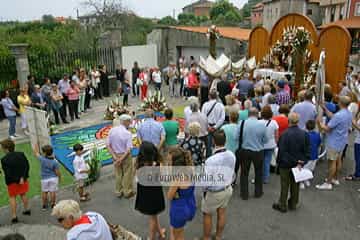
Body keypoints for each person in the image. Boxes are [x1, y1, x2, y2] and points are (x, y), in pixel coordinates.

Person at [272, 113, 310, 213]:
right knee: (295, 184)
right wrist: (302, 162)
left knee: (284, 185)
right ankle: (293, 203)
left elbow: (281, 151)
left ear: (289, 121)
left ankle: (282, 204)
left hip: (285, 163)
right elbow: (307, 151)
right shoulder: (304, 134)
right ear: (298, 121)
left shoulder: (285, 134)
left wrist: (278, 163)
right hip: (298, 164)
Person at [202, 130, 235, 240]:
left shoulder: (211, 160)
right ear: (225, 141)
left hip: (215, 192)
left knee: (207, 214)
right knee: (222, 213)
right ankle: (218, 236)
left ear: (213, 142)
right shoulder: (231, 155)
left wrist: (204, 190)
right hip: (227, 188)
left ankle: (206, 238)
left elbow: (206, 181)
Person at [316, 96, 353, 190]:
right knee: (338, 160)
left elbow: (327, 128)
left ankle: (328, 183)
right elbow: (334, 117)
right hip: (342, 141)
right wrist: (324, 108)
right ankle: (334, 179)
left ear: (340, 103)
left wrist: (319, 123)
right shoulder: (348, 113)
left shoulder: (339, 115)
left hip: (334, 141)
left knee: (332, 162)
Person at [135, 142, 166, 240]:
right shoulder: (157, 164)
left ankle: (158, 234)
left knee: (153, 216)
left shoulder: (138, 164)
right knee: (153, 216)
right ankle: (155, 236)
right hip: (155, 193)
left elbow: (137, 177)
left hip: (144, 192)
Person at [167, 147, 196, 240]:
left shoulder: (177, 179)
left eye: (169, 161)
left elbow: (169, 196)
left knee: (177, 235)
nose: (168, 163)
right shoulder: (191, 170)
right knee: (180, 230)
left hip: (179, 209)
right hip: (190, 204)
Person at [238, 108, 268, 200]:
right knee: (258, 172)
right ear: (257, 114)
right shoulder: (262, 125)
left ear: (248, 114)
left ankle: (244, 194)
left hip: (245, 150)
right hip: (258, 151)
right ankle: (258, 192)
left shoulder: (242, 123)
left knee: (244, 172)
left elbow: (236, 136)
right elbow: (265, 140)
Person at [0, 139, 31, 223]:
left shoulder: (4, 159)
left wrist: (17, 179)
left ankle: (14, 216)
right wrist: (22, 177)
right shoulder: (21, 154)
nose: (1, 149)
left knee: (12, 197)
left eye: (2, 148)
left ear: (6, 149)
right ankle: (27, 209)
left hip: (12, 182)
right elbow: (26, 166)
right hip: (23, 179)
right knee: (23, 194)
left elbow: (8, 173)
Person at [107, 114, 135, 198]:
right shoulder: (127, 133)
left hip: (115, 154)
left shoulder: (112, 130)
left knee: (118, 173)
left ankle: (118, 191)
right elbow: (128, 149)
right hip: (125, 155)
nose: (130, 123)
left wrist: (115, 157)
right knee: (127, 173)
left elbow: (108, 145)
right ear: (125, 122)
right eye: (129, 122)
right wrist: (121, 159)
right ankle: (127, 191)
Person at [33, 144, 61, 210]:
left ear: (45, 153)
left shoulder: (42, 159)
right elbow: (57, 172)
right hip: (53, 178)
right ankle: (53, 204)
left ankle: (44, 205)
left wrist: (36, 145)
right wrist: (59, 178)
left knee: (44, 192)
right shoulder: (55, 162)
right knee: (52, 192)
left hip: (44, 179)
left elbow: (36, 153)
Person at [201, 90, 225, 157]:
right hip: (216, 127)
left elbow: (203, 117)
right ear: (217, 97)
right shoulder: (221, 105)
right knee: (218, 144)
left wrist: (208, 126)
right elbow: (222, 118)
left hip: (208, 127)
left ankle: (209, 158)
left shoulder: (205, 105)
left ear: (209, 96)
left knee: (208, 145)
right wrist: (215, 127)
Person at [260, 106, 279, 184]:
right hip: (271, 144)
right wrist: (276, 143)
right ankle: (266, 178)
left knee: (261, 161)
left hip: (261, 145)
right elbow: (276, 135)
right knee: (267, 161)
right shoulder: (274, 123)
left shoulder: (259, 122)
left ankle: (260, 177)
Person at [300, 120, 321, 189]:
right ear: (314, 127)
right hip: (314, 155)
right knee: (310, 169)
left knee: (303, 169)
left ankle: (302, 182)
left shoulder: (304, 135)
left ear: (306, 127)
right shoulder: (317, 135)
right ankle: (307, 180)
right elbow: (319, 144)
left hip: (306, 156)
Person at [346, 113, 360, 181]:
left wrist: (354, 123)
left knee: (358, 159)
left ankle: (357, 175)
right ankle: (357, 173)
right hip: (357, 139)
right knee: (357, 159)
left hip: (359, 141)